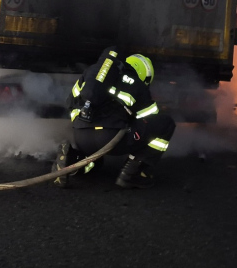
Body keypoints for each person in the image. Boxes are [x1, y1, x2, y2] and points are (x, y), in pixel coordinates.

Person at [52, 47, 175, 189]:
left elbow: (70, 102)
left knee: (95, 164)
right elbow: (151, 117)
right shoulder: (137, 84)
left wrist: (82, 122)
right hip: (112, 139)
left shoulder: (93, 76)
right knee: (166, 124)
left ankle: (70, 160)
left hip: (81, 138)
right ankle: (132, 174)